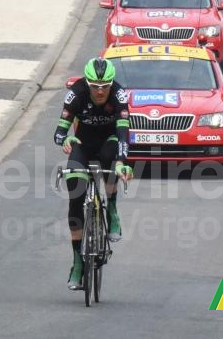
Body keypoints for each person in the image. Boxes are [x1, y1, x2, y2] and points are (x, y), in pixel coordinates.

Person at [53, 57, 133, 290]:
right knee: (75, 197)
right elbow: (58, 132)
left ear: (111, 84)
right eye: (95, 86)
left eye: (105, 86)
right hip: (83, 143)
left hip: (109, 140)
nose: (100, 92)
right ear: (87, 84)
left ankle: (112, 209)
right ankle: (77, 262)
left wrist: (122, 162)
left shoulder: (119, 95)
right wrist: (66, 138)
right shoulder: (76, 93)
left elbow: (123, 135)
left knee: (111, 156)